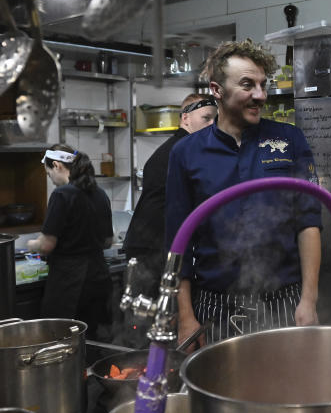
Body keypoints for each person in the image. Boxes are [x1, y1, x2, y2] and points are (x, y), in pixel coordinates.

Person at [166, 39, 322, 347]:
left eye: (263, 85)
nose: (260, 96)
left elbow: (309, 224)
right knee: (221, 391)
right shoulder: (186, 153)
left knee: (288, 391)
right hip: (215, 307)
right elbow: (176, 241)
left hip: (284, 302)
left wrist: (309, 300)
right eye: (247, 85)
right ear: (217, 90)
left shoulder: (289, 140)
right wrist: (185, 317)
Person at [122, 93, 217, 287]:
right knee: (153, 313)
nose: (212, 125)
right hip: (153, 249)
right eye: (206, 118)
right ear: (185, 117)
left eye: (215, 120)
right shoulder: (184, 150)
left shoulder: (179, 147)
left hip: (150, 245)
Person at [28, 144, 114, 339]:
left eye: (48, 173)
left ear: (57, 165)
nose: (50, 179)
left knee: (63, 341)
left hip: (70, 284)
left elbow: (47, 245)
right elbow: (108, 241)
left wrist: (31, 245)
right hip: (99, 279)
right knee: (96, 341)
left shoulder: (61, 194)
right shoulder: (100, 194)